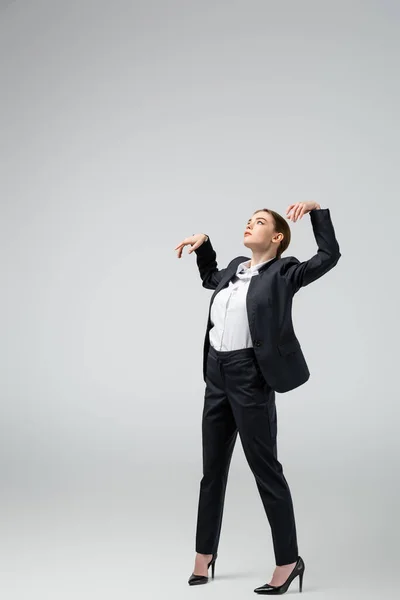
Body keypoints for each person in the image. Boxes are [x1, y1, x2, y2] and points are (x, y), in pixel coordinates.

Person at [174, 201, 341, 595]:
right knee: (211, 471)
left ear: (277, 237)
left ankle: (288, 560)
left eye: (260, 222)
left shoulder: (285, 272)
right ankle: (204, 555)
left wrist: (318, 210)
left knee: (266, 471)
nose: (251, 224)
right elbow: (210, 278)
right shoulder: (234, 268)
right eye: (249, 220)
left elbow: (329, 256)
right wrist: (205, 246)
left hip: (251, 378)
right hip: (216, 375)